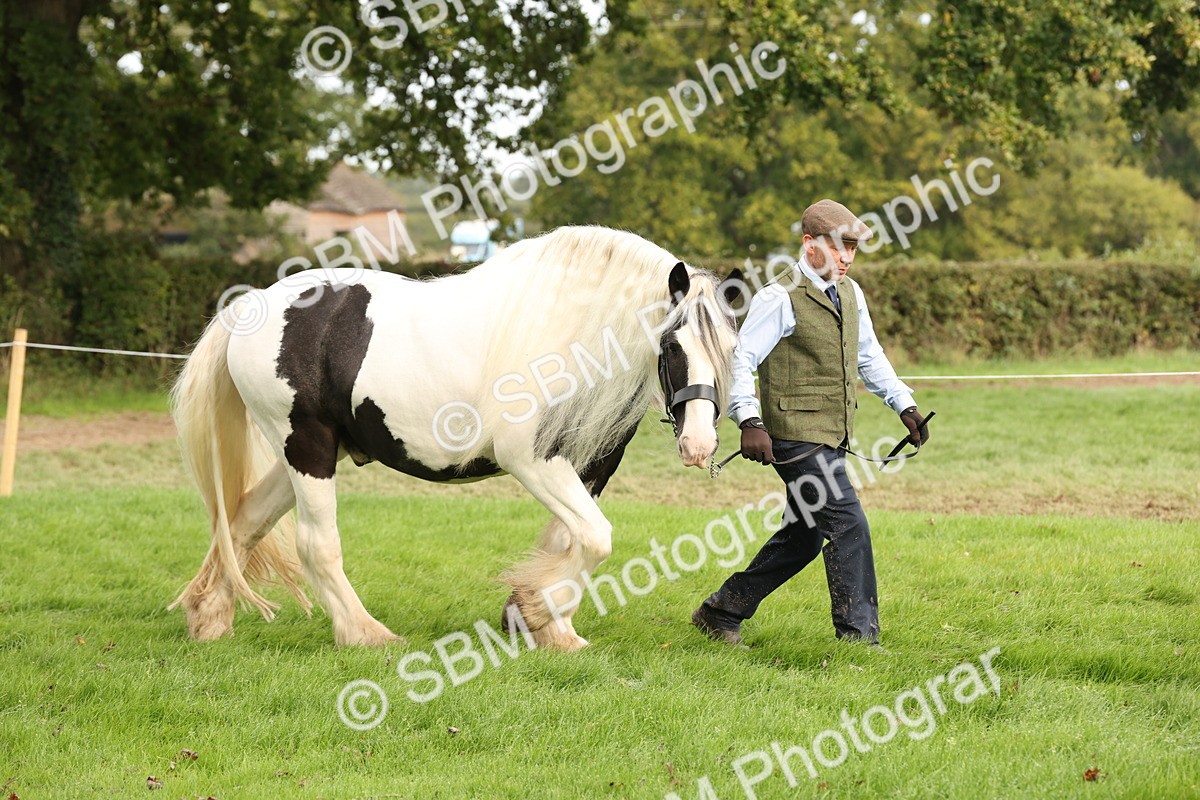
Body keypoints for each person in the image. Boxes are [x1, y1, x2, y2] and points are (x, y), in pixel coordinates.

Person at [691, 199, 930, 647]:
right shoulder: (778, 296)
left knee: (802, 538)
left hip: (833, 433)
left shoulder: (851, 294)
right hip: (794, 437)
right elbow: (743, 358)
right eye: (839, 247)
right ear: (809, 244)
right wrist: (749, 420)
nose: (847, 258)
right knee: (848, 522)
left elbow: (868, 356)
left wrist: (905, 405)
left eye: (853, 249)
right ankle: (859, 639)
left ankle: (721, 611)